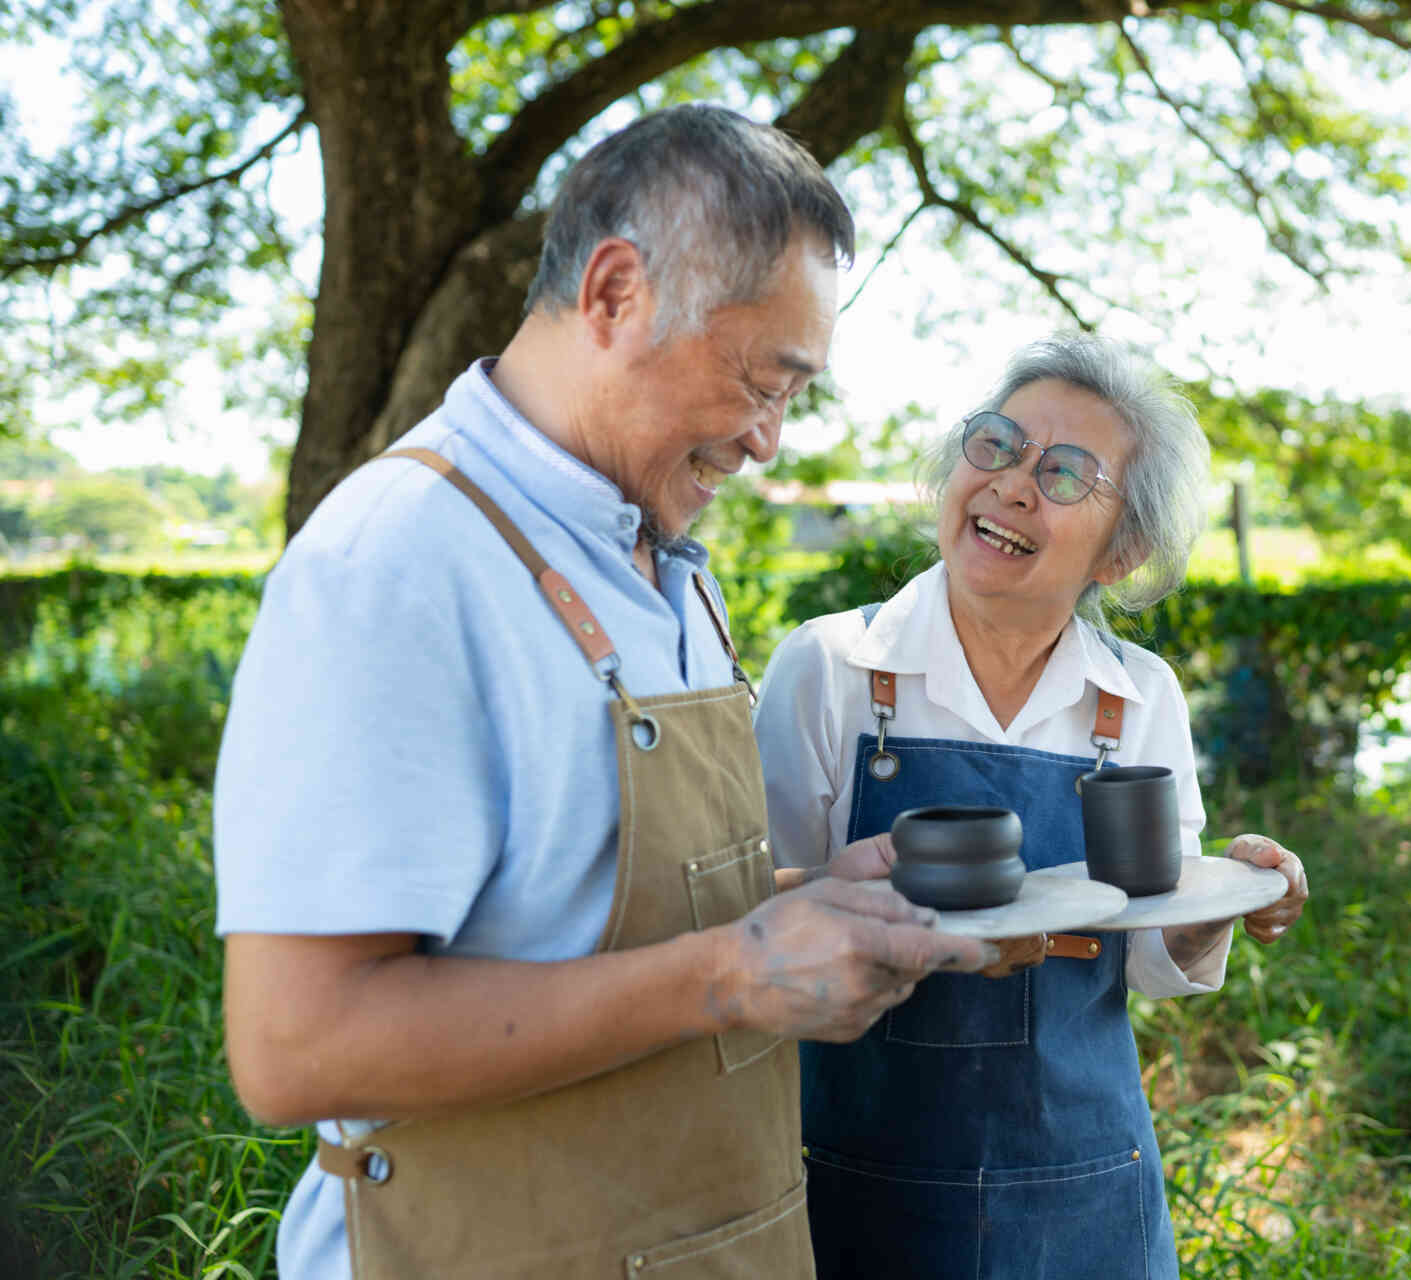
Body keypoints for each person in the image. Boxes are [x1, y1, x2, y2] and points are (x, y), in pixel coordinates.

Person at [212, 104, 993, 1280]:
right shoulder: (397, 561)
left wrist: (811, 897)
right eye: (761, 380)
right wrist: (734, 972)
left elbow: (570, 910)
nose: (769, 439)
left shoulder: (661, 559)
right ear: (617, 293)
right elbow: (294, 1043)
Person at [752, 332, 1312, 1279]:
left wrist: (1226, 899)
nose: (1013, 484)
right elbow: (753, 924)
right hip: (857, 1185)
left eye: (1064, 473)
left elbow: (1149, 954)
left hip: (1083, 1191)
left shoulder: (1138, 699)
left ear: (1122, 548)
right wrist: (889, 919)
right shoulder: (832, 670)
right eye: (999, 445)